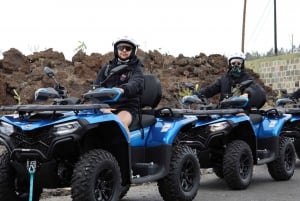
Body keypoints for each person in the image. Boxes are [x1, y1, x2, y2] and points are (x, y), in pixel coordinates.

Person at [94, 36, 144, 137]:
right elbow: (96, 88)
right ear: (117, 50)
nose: (124, 50)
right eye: (121, 48)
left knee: (120, 122)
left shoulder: (136, 68)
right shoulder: (107, 68)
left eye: (128, 48)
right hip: (106, 106)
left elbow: (136, 83)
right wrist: (100, 107)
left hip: (127, 107)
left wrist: (123, 89)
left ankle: (126, 152)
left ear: (133, 51)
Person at [192, 52, 266, 110]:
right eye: (233, 63)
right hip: (224, 113)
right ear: (230, 65)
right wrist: (195, 95)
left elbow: (258, 91)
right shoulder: (223, 79)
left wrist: (247, 94)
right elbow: (209, 90)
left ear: (242, 65)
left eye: (238, 63)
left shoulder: (247, 79)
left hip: (241, 113)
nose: (236, 66)